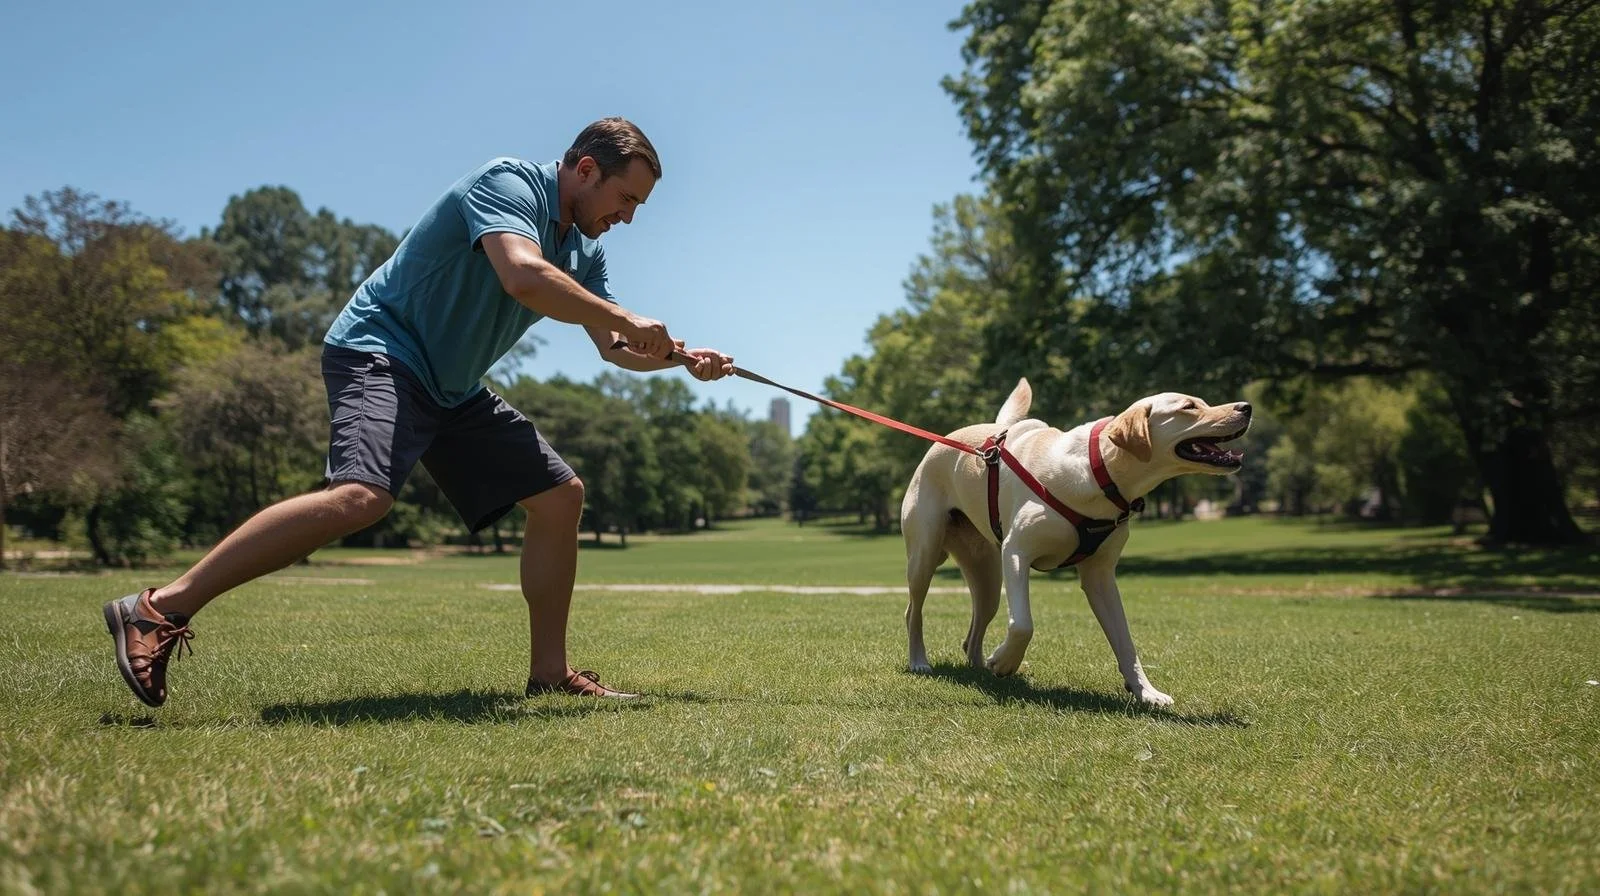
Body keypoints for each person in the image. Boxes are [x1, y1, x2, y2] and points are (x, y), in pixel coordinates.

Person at [103, 117, 732, 706]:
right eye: (626, 199)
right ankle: (158, 607)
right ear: (587, 170)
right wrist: (628, 319)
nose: (628, 217)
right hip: (381, 352)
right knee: (361, 497)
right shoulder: (509, 183)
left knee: (559, 496)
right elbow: (522, 275)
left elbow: (614, 347)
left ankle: (549, 673)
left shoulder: (584, 251)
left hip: (451, 388)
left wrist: (679, 359)